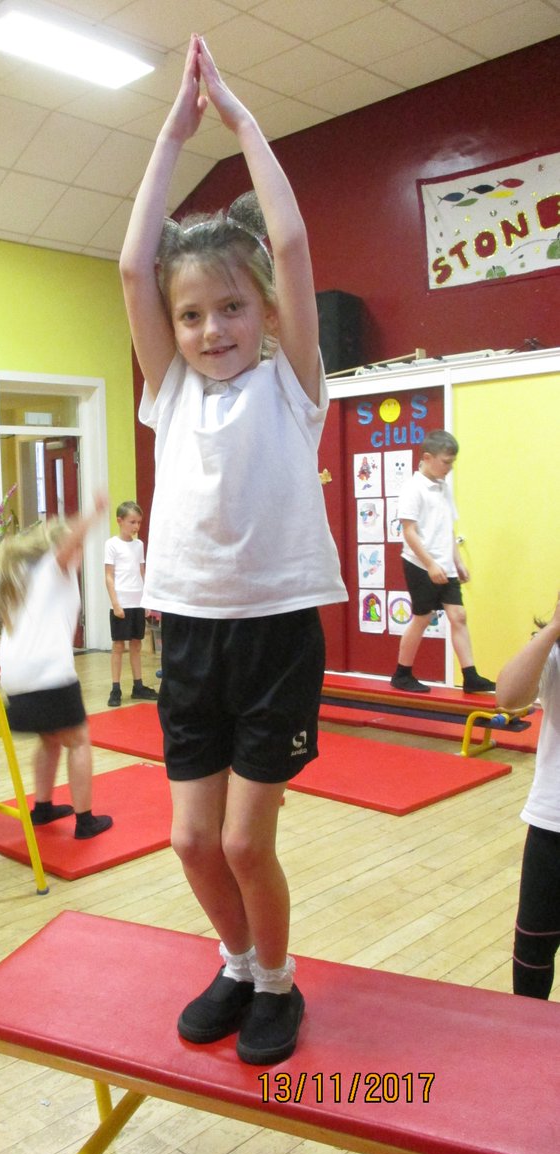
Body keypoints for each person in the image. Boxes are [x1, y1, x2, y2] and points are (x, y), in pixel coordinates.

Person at [119, 35, 346, 1065]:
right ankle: (238, 962)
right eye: (193, 314)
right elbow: (132, 262)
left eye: (232, 309)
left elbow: (292, 249)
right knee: (189, 838)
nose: (213, 329)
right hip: (193, 634)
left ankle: (280, 982)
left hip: (277, 637)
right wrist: (171, 134)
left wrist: (243, 126)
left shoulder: (292, 388)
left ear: (263, 313)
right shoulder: (168, 396)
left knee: (249, 839)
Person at [0, 499, 113, 840]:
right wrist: (94, 512)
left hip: (14, 680)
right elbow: (71, 541)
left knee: (50, 738)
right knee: (79, 741)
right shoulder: (52, 568)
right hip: (48, 674)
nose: (79, 554)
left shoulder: (17, 576)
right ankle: (86, 821)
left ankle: (43, 808)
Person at [391, 430, 494, 694]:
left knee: (458, 616)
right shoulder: (413, 489)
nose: (449, 468)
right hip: (419, 563)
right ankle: (402, 673)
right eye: (446, 462)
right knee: (422, 618)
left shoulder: (443, 486)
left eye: (452, 463)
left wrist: (456, 561)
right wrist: (431, 564)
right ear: (427, 457)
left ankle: (470, 676)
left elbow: (447, 527)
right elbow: (409, 532)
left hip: (444, 564)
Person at [496, 592, 560, 1000]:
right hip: (553, 826)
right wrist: (552, 630)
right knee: (533, 951)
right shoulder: (553, 653)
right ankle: (526, 1047)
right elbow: (508, 696)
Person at [104, 500, 158, 707]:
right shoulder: (111, 544)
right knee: (118, 646)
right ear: (120, 521)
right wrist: (115, 603)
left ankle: (138, 685)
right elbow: (109, 576)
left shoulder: (139, 545)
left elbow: (142, 572)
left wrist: (147, 600)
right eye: (132, 522)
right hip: (121, 602)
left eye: (139, 523)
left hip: (137, 601)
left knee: (136, 644)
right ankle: (115, 687)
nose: (136, 527)